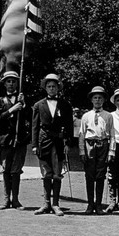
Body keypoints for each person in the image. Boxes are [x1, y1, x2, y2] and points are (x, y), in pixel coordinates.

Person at [32, 74, 74, 216]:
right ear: (45, 88)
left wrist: (68, 142)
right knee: (46, 173)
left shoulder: (65, 105)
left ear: (58, 88)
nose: (51, 89)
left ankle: (55, 204)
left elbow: (69, 126)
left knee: (57, 173)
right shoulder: (38, 105)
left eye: (54, 86)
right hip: (43, 141)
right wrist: (34, 144)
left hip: (58, 142)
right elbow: (35, 127)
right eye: (49, 86)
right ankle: (46, 204)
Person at [0, 71, 31, 210]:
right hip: (5, 140)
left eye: (14, 81)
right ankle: (5, 200)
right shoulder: (0, 100)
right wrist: (12, 110)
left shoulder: (22, 100)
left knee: (16, 170)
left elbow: (29, 118)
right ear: (4, 84)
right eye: (8, 81)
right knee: (6, 170)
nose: (11, 84)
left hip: (19, 140)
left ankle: (15, 200)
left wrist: (24, 105)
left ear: (17, 83)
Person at [79, 86, 116, 215]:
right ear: (91, 100)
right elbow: (81, 135)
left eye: (100, 97)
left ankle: (99, 205)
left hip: (103, 145)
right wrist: (82, 151)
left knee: (100, 175)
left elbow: (112, 134)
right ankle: (90, 204)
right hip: (89, 145)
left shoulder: (108, 116)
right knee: (89, 175)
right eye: (95, 97)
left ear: (104, 100)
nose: (98, 100)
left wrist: (111, 151)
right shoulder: (86, 116)